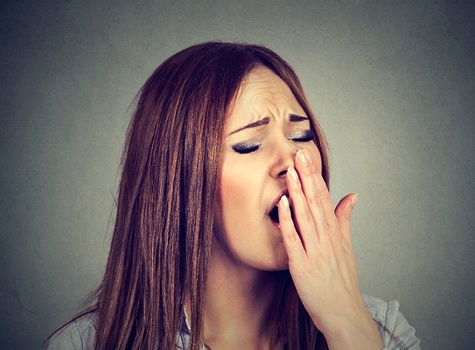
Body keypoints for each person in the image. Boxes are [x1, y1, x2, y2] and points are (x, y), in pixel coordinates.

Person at [46, 42, 420, 349]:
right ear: (178, 179)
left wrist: (347, 324)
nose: (292, 160)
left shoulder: (379, 332)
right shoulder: (85, 345)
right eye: (248, 145)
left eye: (301, 136)